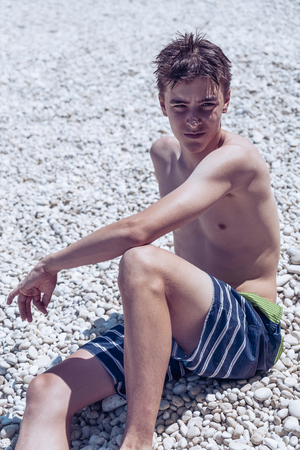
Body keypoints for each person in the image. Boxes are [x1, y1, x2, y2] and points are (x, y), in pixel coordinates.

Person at [7, 32, 282, 450]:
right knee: (47, 390)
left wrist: (50, 265)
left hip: (246, 333)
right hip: (180, 321)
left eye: (207, 106)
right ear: (161, 104)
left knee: (141, 260)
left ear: (226, 99)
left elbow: (139, 233)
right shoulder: (164, 154)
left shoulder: (236, 159)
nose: (194, 121)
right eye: (180, 106)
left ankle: (137, 442)